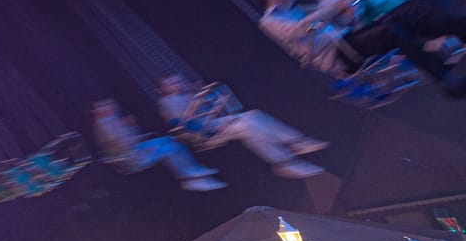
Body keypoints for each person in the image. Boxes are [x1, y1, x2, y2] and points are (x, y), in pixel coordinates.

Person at [304, 0, 466, 94]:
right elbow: (342, 11)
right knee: (429, 15)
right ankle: (445, 76)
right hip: (383, 16)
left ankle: (443, 69)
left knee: (442, 13)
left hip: (403, 5)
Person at [155, 76, 326, 178]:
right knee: (248, 126)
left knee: (254, 115)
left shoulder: (188, 94)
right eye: (172, 83)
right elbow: (184, 126)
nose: (177, 84)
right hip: (204, 134)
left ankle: (297, 142)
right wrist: (197, 107)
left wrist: (213, 107)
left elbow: (207, 113)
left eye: (178, 81)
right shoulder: (168, 102)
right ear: (164, 88)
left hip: (213, 124)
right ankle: (284, 163)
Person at [91, 99, 224, 190]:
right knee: (169, 147)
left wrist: (133, 128)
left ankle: (193, 172)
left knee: (171, 141)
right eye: (105, 105)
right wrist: (141, 141)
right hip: (130, 157)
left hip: (135, 149)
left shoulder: (113, 120)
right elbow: (119, 145)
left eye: (109, 104)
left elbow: (129, 138)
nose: (110, 106)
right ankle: (190, 178)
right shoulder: (103, 125)